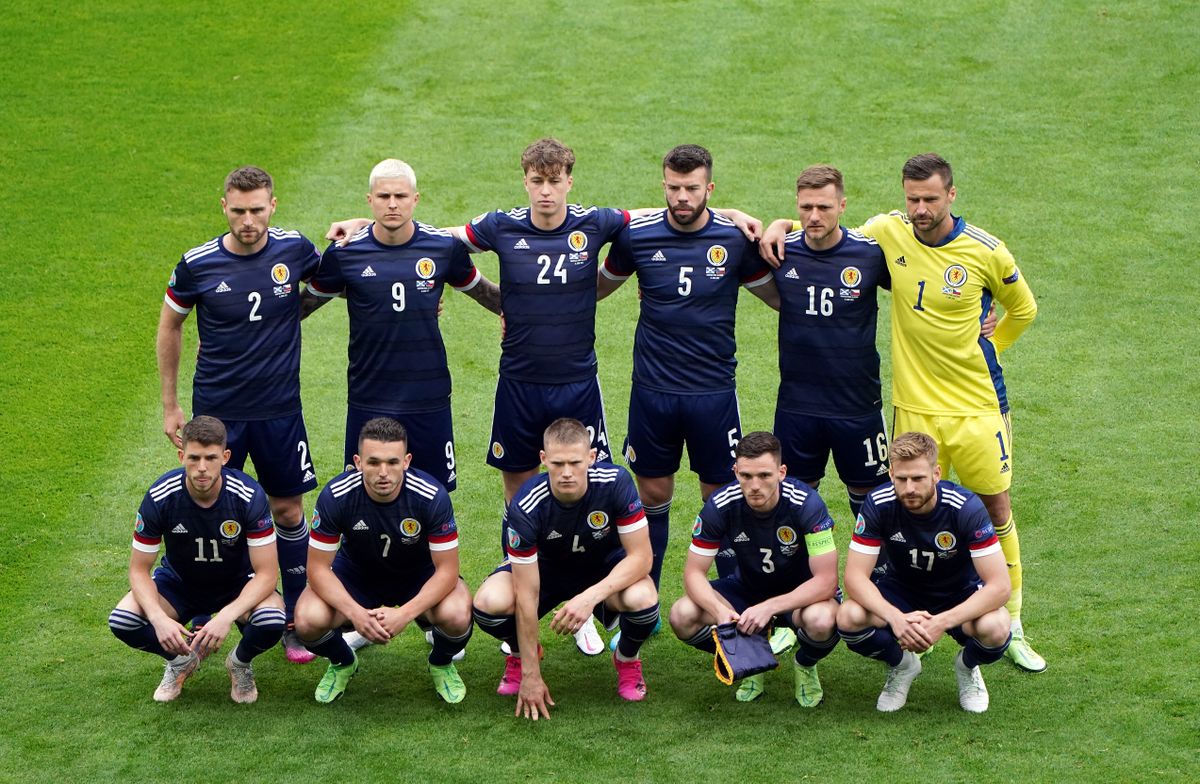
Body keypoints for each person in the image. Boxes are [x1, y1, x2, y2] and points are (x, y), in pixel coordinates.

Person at [763, 154, 1043, 672]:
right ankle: (893, 612)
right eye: (912, 198)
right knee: (902, 510)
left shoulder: (985, 250)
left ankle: (1015, 622)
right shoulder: (886, 234)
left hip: (978, 408)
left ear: (951, 195)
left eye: (930, 198)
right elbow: (825, 228)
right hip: (913, 409)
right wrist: (781, 222)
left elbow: (1023, 307)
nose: (919, 208)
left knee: (997, 509)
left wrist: (992, 344)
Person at [597, 144, 778, 597]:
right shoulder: (637, 237)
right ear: (663, 186)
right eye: (674, 188)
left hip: (712, 393)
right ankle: (647, 599)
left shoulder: (736, 240)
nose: (682, 197)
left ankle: (736, 599)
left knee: (720, 500)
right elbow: (594, 289)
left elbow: (780, 297)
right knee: (653, 498)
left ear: (709, 189)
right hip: (653, 392)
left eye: (692, 188)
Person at [156, 165, 319, 663]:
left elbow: (338, 277)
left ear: (273, 205)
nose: (249, 220)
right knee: (212, 510)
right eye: (239, 210)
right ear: (223, 207)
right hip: (218, 413)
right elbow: (170, 328)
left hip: (278, 410)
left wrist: (352, 230)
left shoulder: (294, 249)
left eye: (257, 209)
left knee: (289, 510)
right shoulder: (197, 264)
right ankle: (210, 611)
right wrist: (170, 403)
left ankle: (291, 618)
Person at [300, 159, 501, 490]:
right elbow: (302, 307)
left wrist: (543, 311)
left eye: (400, 196)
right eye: (383, 196)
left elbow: (488, 295)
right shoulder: (345, 254)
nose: (392, 204)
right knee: (361, 494)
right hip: (369, 395)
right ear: (369, 200)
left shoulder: (443, 248)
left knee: (434, 497)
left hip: (428, 395)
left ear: (415, 199)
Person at [471, 419, 660, 719]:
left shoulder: (616, 482)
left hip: (603, 568)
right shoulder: (526, 504)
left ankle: (626, 658)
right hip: (546, 570)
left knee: (644, 599)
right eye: (558, 463)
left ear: (592, 457)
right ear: (544, 459)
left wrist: (590, 597)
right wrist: (532, 676)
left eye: (575, 462)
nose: (567, 472)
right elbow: (526, 592)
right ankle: (521, 656)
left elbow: (642, 558)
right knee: (487, 603)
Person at [293, 417, 473, 704]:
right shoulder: (336, 496)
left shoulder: (431, 496)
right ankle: (343, 662)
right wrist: (355, 613)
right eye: (373, 462)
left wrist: (404, 614)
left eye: (392, 462)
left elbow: (448, 571)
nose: (383, 472)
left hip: (418, 574)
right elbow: (316, 569)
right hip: (357, 575)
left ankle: (440, 663)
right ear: (358, 461)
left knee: (457, 613)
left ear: (407, 461)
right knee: (306, 618)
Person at [108, 416, 286, 703]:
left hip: (237, 584)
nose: (202, 467)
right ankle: (180, 662)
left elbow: (267, 574)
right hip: (180, 584)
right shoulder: (160, 496)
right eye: (194, 458)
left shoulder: (249, 496)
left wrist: (227, 616)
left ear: (225, 457)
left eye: (210, 458)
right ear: (181, 456)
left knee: (272, 619)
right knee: (123, 620)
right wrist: (157, 617)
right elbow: (139, 570)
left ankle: (239, 663)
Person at [837, 431, 1012, 713]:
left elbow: (1000, 587)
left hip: (959, 593)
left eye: (918, 478)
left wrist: (940, 622)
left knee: (997, 627)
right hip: (902, 592)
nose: (909, 488)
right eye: (901, 479)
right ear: (891, 473)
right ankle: (903, 665)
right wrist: (896, 619)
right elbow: (854, 578)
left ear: (936, 473)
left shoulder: (965, 508)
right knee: (848, 617)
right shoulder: (878, 503)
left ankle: (966, 667)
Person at [668, 431, 839, 706]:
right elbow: (693, 573)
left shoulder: (806, 503)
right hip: (747, 590)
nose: (754, 485)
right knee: (682, 614)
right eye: (746, 476)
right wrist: (721, 612)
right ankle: (749, 656)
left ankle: (805, 664)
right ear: (735, 471)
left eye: (764, 476)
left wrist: (769, 607)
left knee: (822, 620)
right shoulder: (721, 505)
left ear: (781, 472)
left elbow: (827, 582)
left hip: (800, 597)